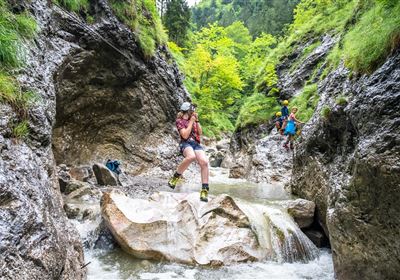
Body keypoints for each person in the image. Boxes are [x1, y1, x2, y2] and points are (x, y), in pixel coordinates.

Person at [168, 102, 210, 202]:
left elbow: (200, 132)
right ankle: (175, 177)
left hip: (196, 144)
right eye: (192, 110)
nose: (194, 111)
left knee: (204, 162)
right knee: (191, 157)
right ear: (188, 111)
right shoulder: (180, 121)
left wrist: (197, 121)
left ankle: (204, 190)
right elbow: (185, 135)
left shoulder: (194, 120)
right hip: (185, 143)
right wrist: (191, 122)